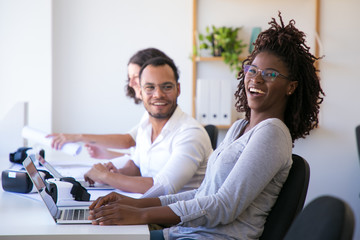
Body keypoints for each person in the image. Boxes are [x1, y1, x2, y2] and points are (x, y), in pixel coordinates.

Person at [87, 12, 325, 240]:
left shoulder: (272, 133)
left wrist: (141, 214)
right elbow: (204, 194)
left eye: (270, 74)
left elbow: (224, 206)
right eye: (252, 69)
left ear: (291, 87)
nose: (256, 78)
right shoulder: (239, 127)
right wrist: (134, 203)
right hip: (185, 233)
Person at [84, 56, 212, 195]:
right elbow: (139, 166)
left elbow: (163, 187)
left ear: (178, 89)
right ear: (140, 91)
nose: (158, 94)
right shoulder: (146, 122)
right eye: (150, 87)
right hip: (148, 209)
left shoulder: (191, 133)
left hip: (179, 215)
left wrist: (107, 176)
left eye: (167, 87)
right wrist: (116, 172)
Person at [47, 48, 170, 159]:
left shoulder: (168, 119)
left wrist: (78, 137)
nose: (131, 83)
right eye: (129, 77)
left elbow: (128, 141)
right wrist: (107, 154)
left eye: (136, 76)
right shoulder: (148, 116)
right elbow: (140, 160)